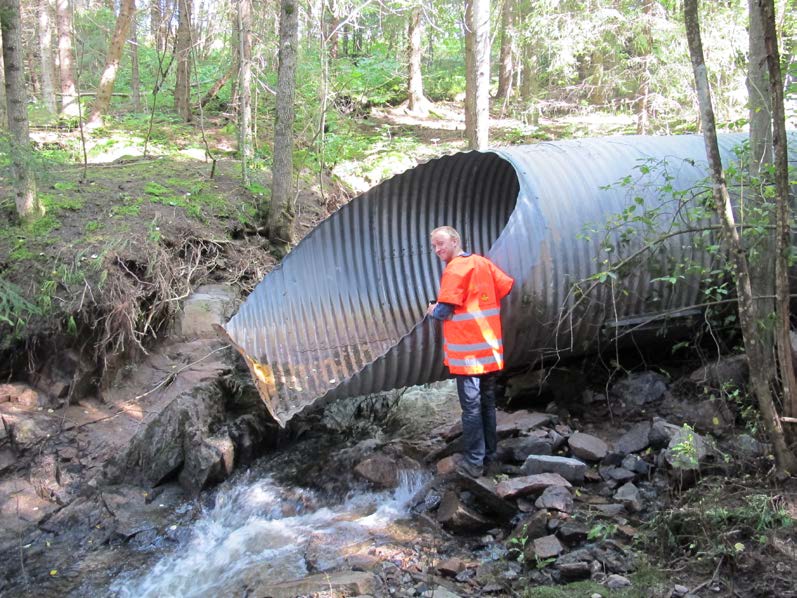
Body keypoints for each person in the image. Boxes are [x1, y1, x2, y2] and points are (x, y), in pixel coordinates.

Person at [426, 226, 514, 478]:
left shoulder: (454, 269)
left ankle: (473, 462)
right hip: (489, 351)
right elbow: (505, 287)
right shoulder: (482, 263)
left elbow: (444, 311)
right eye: (434, 246)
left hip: (468, 356)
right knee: (487, 404)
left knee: (472, 409)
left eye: (440, 243)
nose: (437, 250)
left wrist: (433, 309)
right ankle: (490, 457)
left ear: (455, 241)